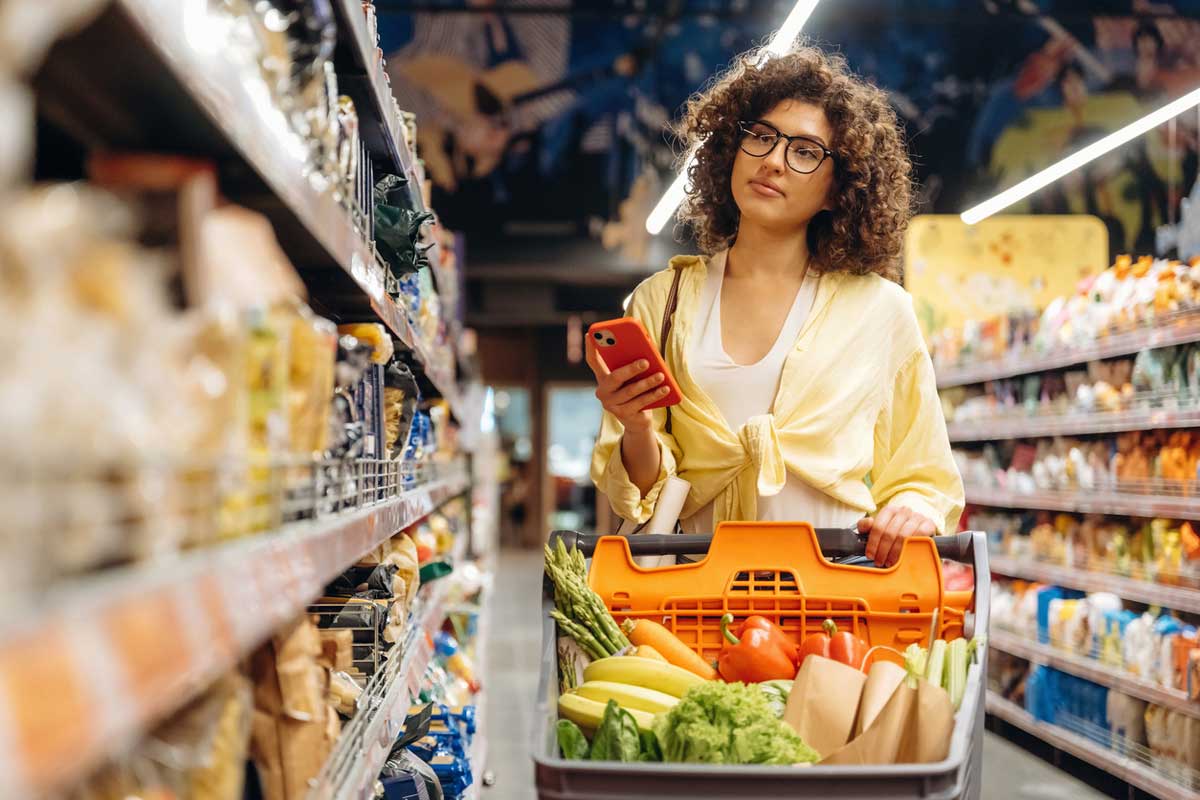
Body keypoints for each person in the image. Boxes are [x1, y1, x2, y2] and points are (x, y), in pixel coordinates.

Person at [586, 46, 964, 567]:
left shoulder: (881, 312)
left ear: (840, 188)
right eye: (760, 136)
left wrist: (911, 510)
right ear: (731, 149)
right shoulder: (661, 302)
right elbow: (640, 493)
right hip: (692, 599)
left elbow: (924, 476)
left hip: (832, 598)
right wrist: (634, 425)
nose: (772, 160)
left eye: (805, 151)